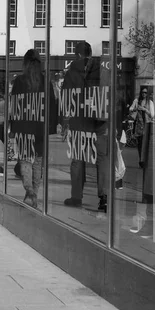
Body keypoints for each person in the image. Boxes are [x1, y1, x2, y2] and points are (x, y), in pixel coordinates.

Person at [62, 41, 110, 212]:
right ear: (91, 53)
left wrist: (65, 122)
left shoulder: (71, 73)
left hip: (80, 121)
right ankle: (104, 198)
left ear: (78, 55)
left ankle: (77, 196)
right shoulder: (104, 70)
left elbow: (66, 99)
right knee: (102, 158)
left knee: (78, 158)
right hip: (100, 121)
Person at [9, 49, 57, 209]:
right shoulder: (46, 82)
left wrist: (13, 126)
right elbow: (52, 107)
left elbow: (14, 106)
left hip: (24, 126)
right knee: (37, 162)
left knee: (25, 160)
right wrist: (50, 126)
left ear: (25, 63)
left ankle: (29, 191)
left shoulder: (19, 81)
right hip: (40, 127)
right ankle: (33, 194)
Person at [129, 86, 154, 167]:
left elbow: (152, 115)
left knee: (144, 144)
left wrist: (144, 109)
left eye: (146, 92)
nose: (144, 94)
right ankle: (141, 159)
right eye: (143, 92)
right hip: (139, 126)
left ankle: (144, 161)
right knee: (140, 144)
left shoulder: (150, 102)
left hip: (147, 125)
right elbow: (130, 109)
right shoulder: (137, 100)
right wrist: (136, 108)